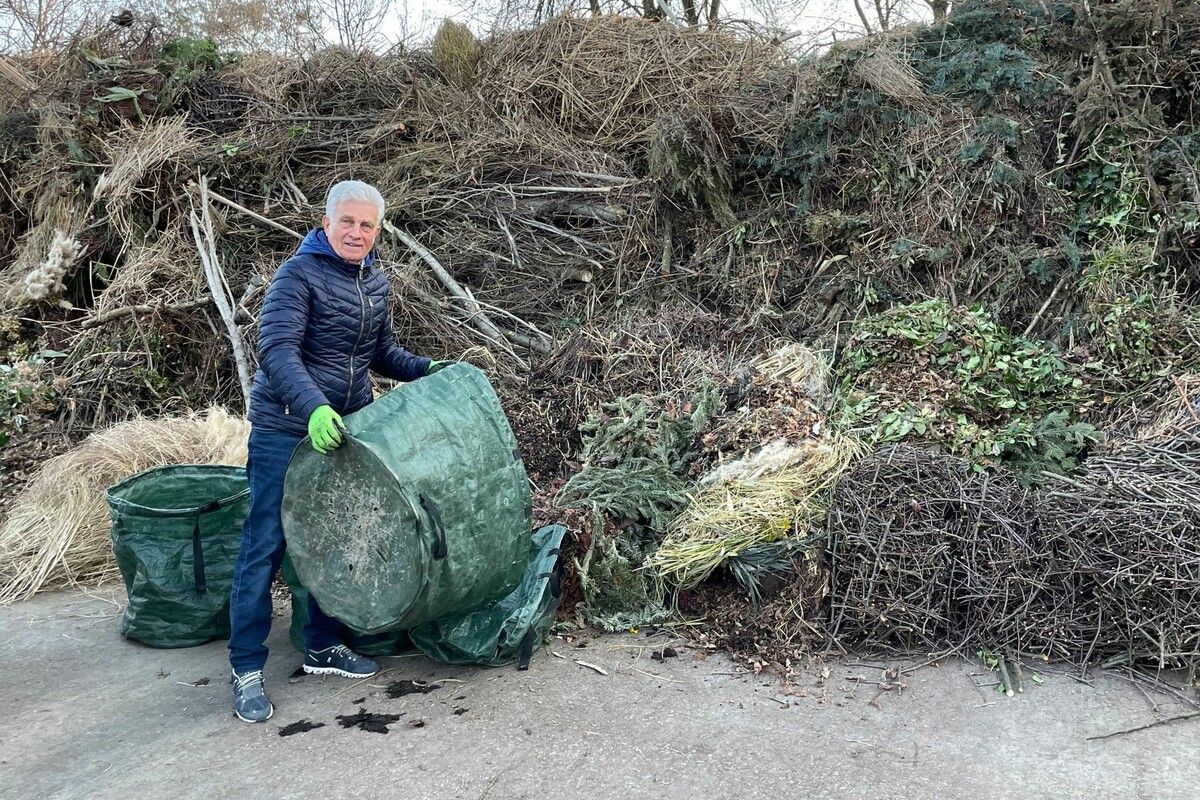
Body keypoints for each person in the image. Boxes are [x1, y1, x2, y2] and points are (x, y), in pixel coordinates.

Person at [228, 180, 449, 723]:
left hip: (344, 434)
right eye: (346, 221)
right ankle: (246, 666)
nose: (356, 232)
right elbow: (277, 350)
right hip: (287, 429)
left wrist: (427, 369)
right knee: (266, 543)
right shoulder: (297, 276)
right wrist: (313, 409)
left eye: (366, 225)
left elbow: (381, 353)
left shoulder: (374, 281)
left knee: (333, 540)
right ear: (326, 223)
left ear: (378, 231)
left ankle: (323, 644)